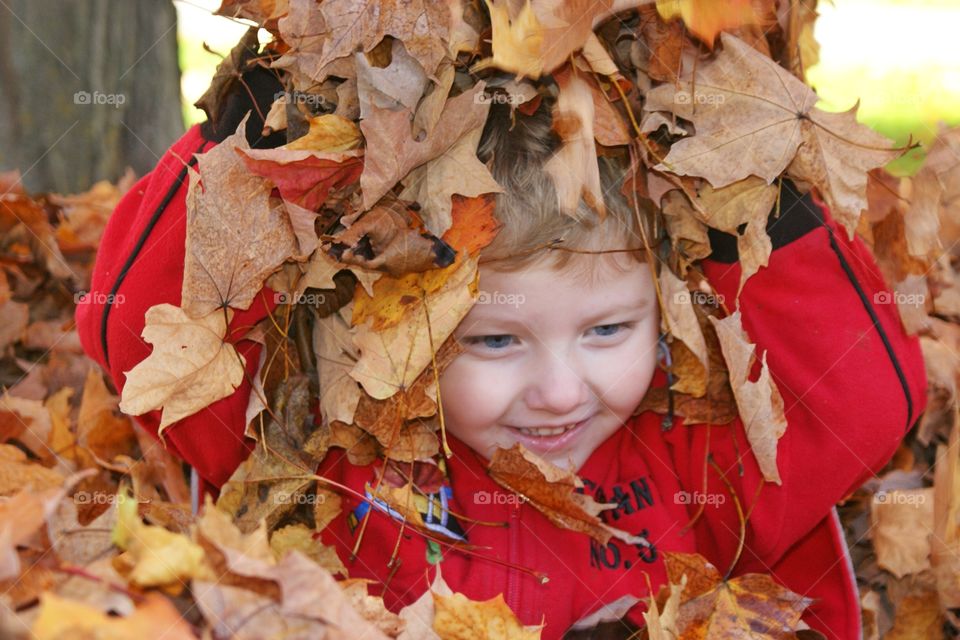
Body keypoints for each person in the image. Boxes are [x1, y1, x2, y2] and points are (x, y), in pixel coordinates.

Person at [77, 72, 926, 639]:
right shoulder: (336, 477)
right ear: (398, 325)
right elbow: (135, 334)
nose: (561, 391)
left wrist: (753, 203)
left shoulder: (694, 465)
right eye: (493, 340)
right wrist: (240, 155)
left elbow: (862, 401)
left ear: (666, 313)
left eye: (607, 331)